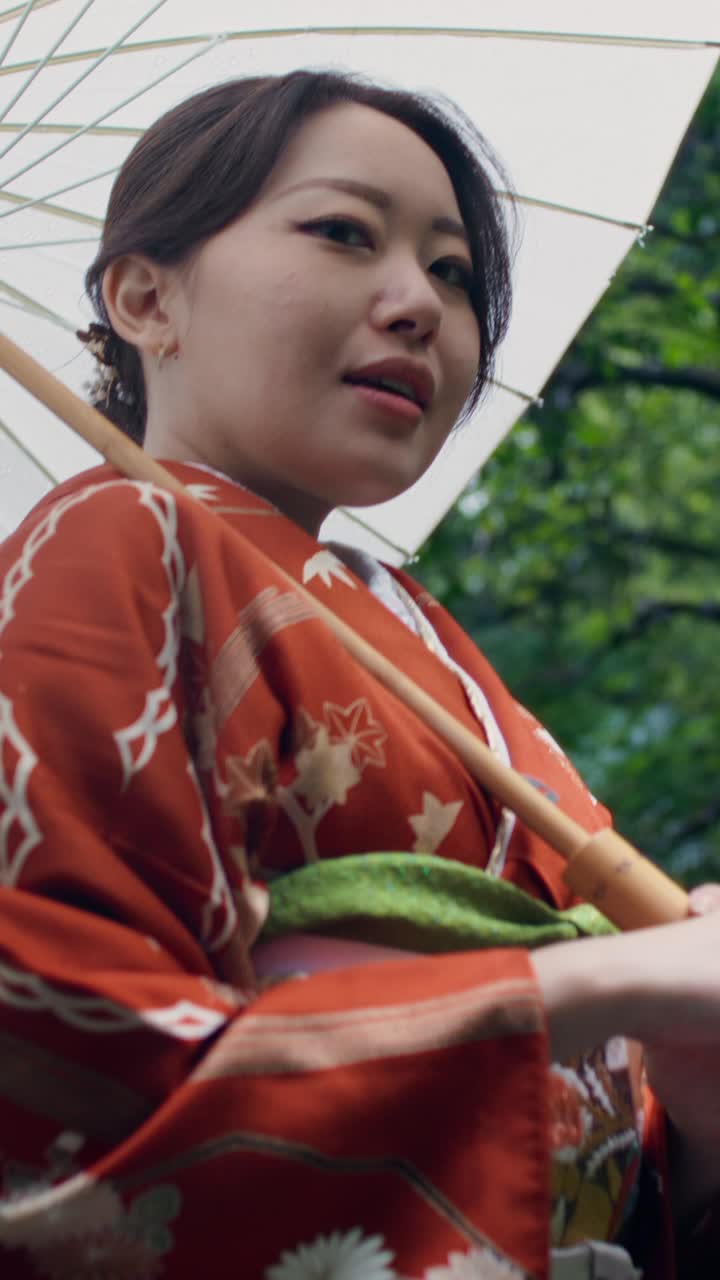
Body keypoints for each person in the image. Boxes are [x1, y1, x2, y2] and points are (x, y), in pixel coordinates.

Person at [0, 69, 718, 1280]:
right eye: (343, 232)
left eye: (453, 272)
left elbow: (604, 1136)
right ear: (143, 294)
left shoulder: (419, 627)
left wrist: (690, 1106)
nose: (418, 306)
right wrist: (588, 983)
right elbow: (61, 1041)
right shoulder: (114, 543)